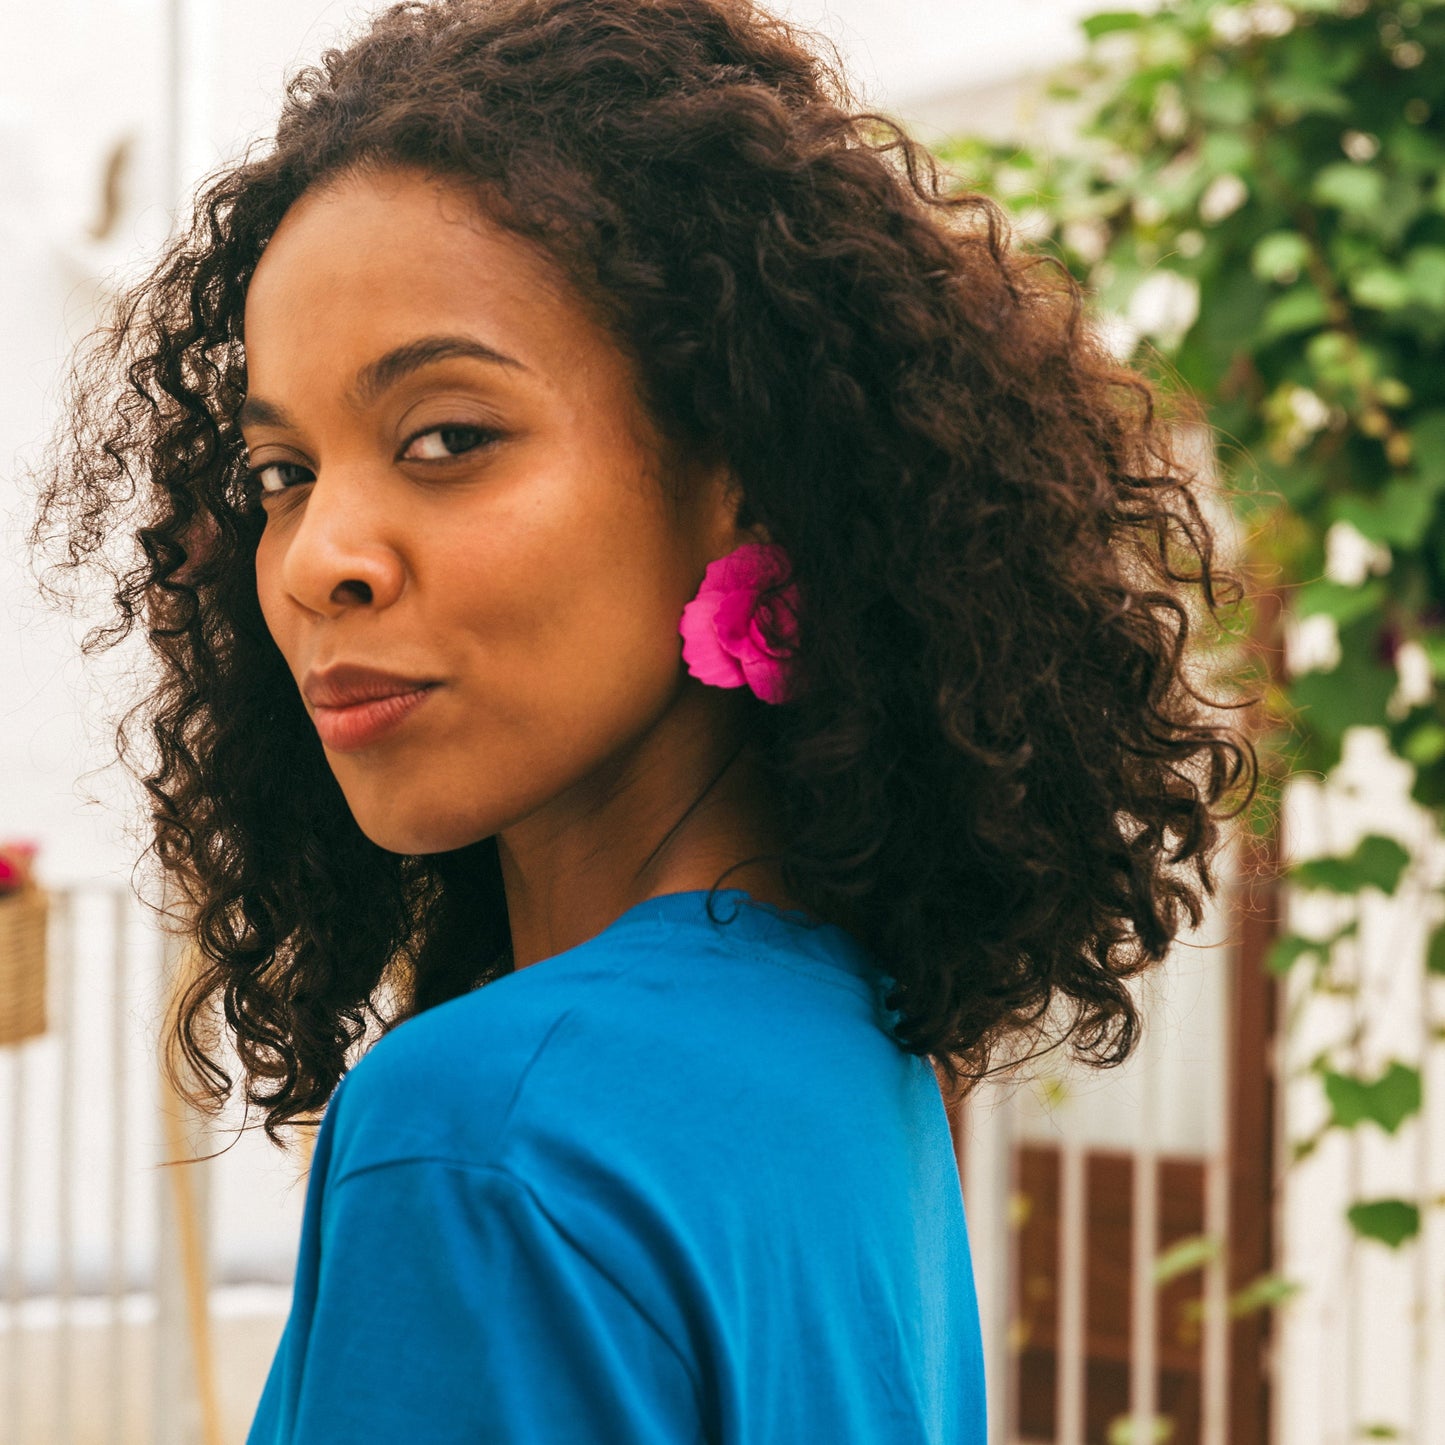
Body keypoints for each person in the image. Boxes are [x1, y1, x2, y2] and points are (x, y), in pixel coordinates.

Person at [31, 0, 1256, 1439]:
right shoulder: (843, 1046)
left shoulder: (486, 1138)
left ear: (739, 475)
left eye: (447, 438)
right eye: (279, 472)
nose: (316, 559)